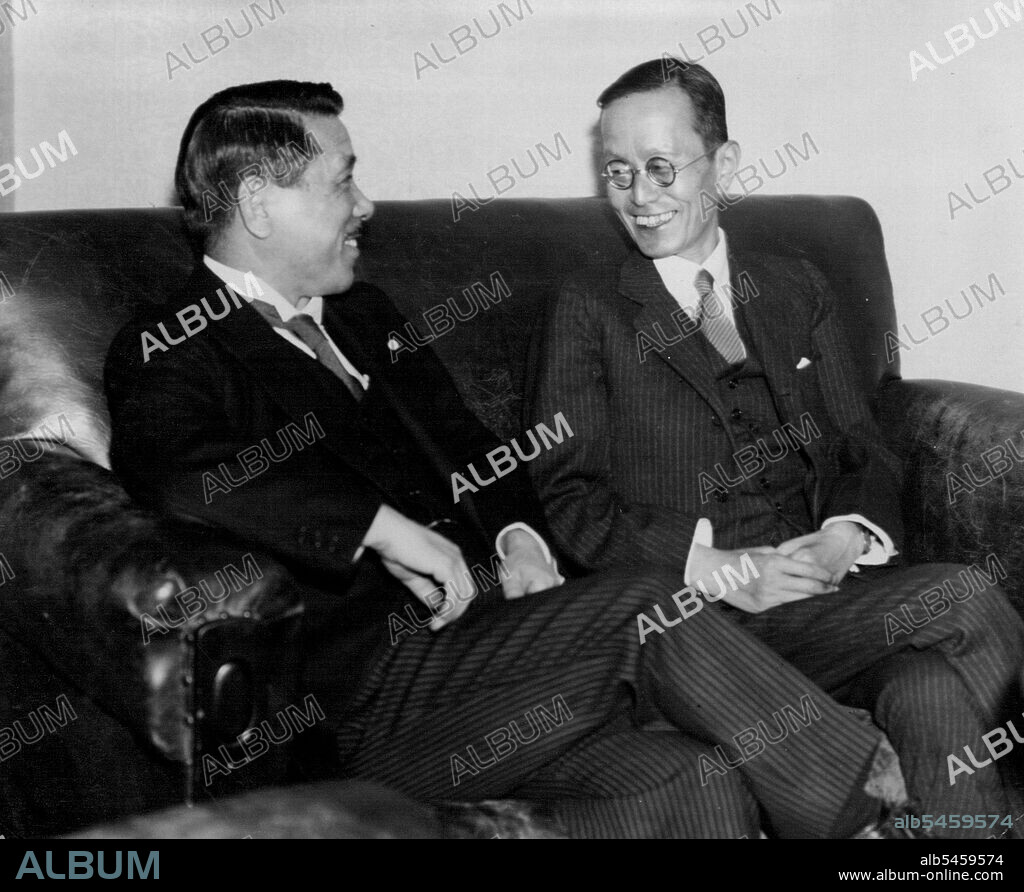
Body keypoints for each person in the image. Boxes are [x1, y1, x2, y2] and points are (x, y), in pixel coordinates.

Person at [107, 79, 901, 839]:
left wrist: (519, 534)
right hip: (364, 704)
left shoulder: (361, 313)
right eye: (342, 181)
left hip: (490, 662)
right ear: (257, 202)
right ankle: (866, 804)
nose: (365, 205)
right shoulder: (171, 343)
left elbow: (475, 447)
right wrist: (381, 527)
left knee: (692, 779)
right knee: (647, 606)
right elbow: (184, 474)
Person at [526, 58, 1024, 838]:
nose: (640, 195)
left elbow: (862, 449)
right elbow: (569, 498)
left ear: (724, 163)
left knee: (928, 686)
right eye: (618, 172)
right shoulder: (590, 307)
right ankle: (861, 786)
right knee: (960, 605)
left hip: (823, 604)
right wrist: (717, 570)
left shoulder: (795, 286)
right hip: (695, 632)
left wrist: (841, 539)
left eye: (662, 167)